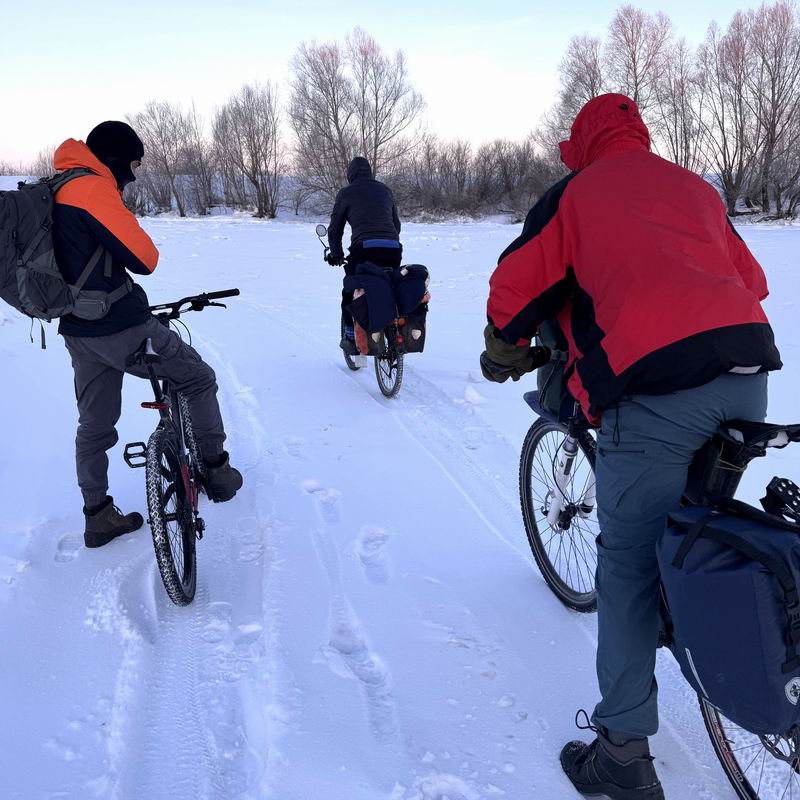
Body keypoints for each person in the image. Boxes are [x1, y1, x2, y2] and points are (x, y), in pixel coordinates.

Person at [481, 94, 781, 799]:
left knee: (625, 568)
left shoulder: (574, 195)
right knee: (698, 532)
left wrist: (504, 351)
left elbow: (511, 292)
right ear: (639, 136)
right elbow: (755, 281)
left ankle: (620, 753)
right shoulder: (693, 188)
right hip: (746, 377)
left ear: (580, 148)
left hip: (656, 390)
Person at [52, 121, 243, 549]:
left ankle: (97, 516)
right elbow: (145, 258)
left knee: (94, 424)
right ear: (116, 159)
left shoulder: (60, 185)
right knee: (197, 377)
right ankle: (216, 470)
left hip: (78, 330)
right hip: (123, 328)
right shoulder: (91, 188)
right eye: (133, 165)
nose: (134, 176)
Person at [327, 156, 402, 355]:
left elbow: (335, 229)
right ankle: (395, 332)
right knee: (391, 285)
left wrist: (336, 254)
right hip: (393, 248)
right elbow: (397, 225)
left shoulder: (346, 193)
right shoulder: (385, 190)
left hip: (365, 249)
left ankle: (351, 338)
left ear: (350, 175)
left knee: (349, 288)